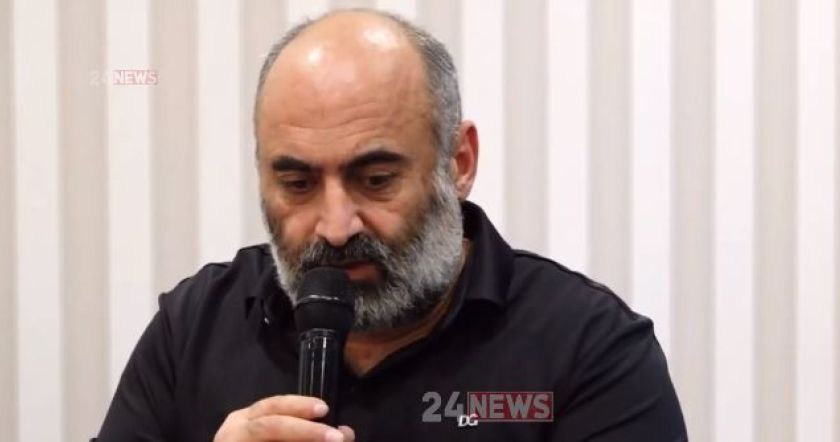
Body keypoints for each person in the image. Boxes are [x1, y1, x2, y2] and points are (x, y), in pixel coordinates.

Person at [97, 9, 687, 442]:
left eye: (376, 179)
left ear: (459, 163)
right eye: (297, 183)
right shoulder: (194, 328)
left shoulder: (589, 350)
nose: (335, 227)